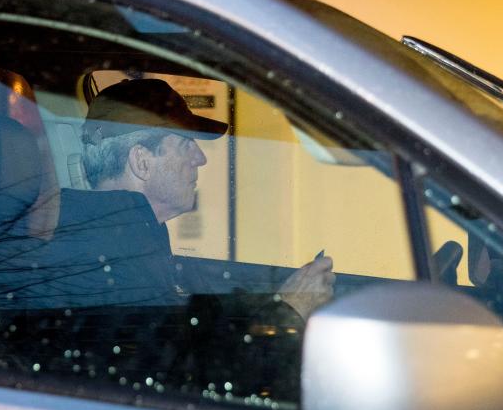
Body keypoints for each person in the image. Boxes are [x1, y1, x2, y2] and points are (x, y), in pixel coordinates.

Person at [36, 78, 335, 321]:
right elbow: (183, 374)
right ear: (141, 161)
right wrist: (289, 312)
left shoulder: (131, 237)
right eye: (185, 145)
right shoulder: (104, 260)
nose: (200, 158)